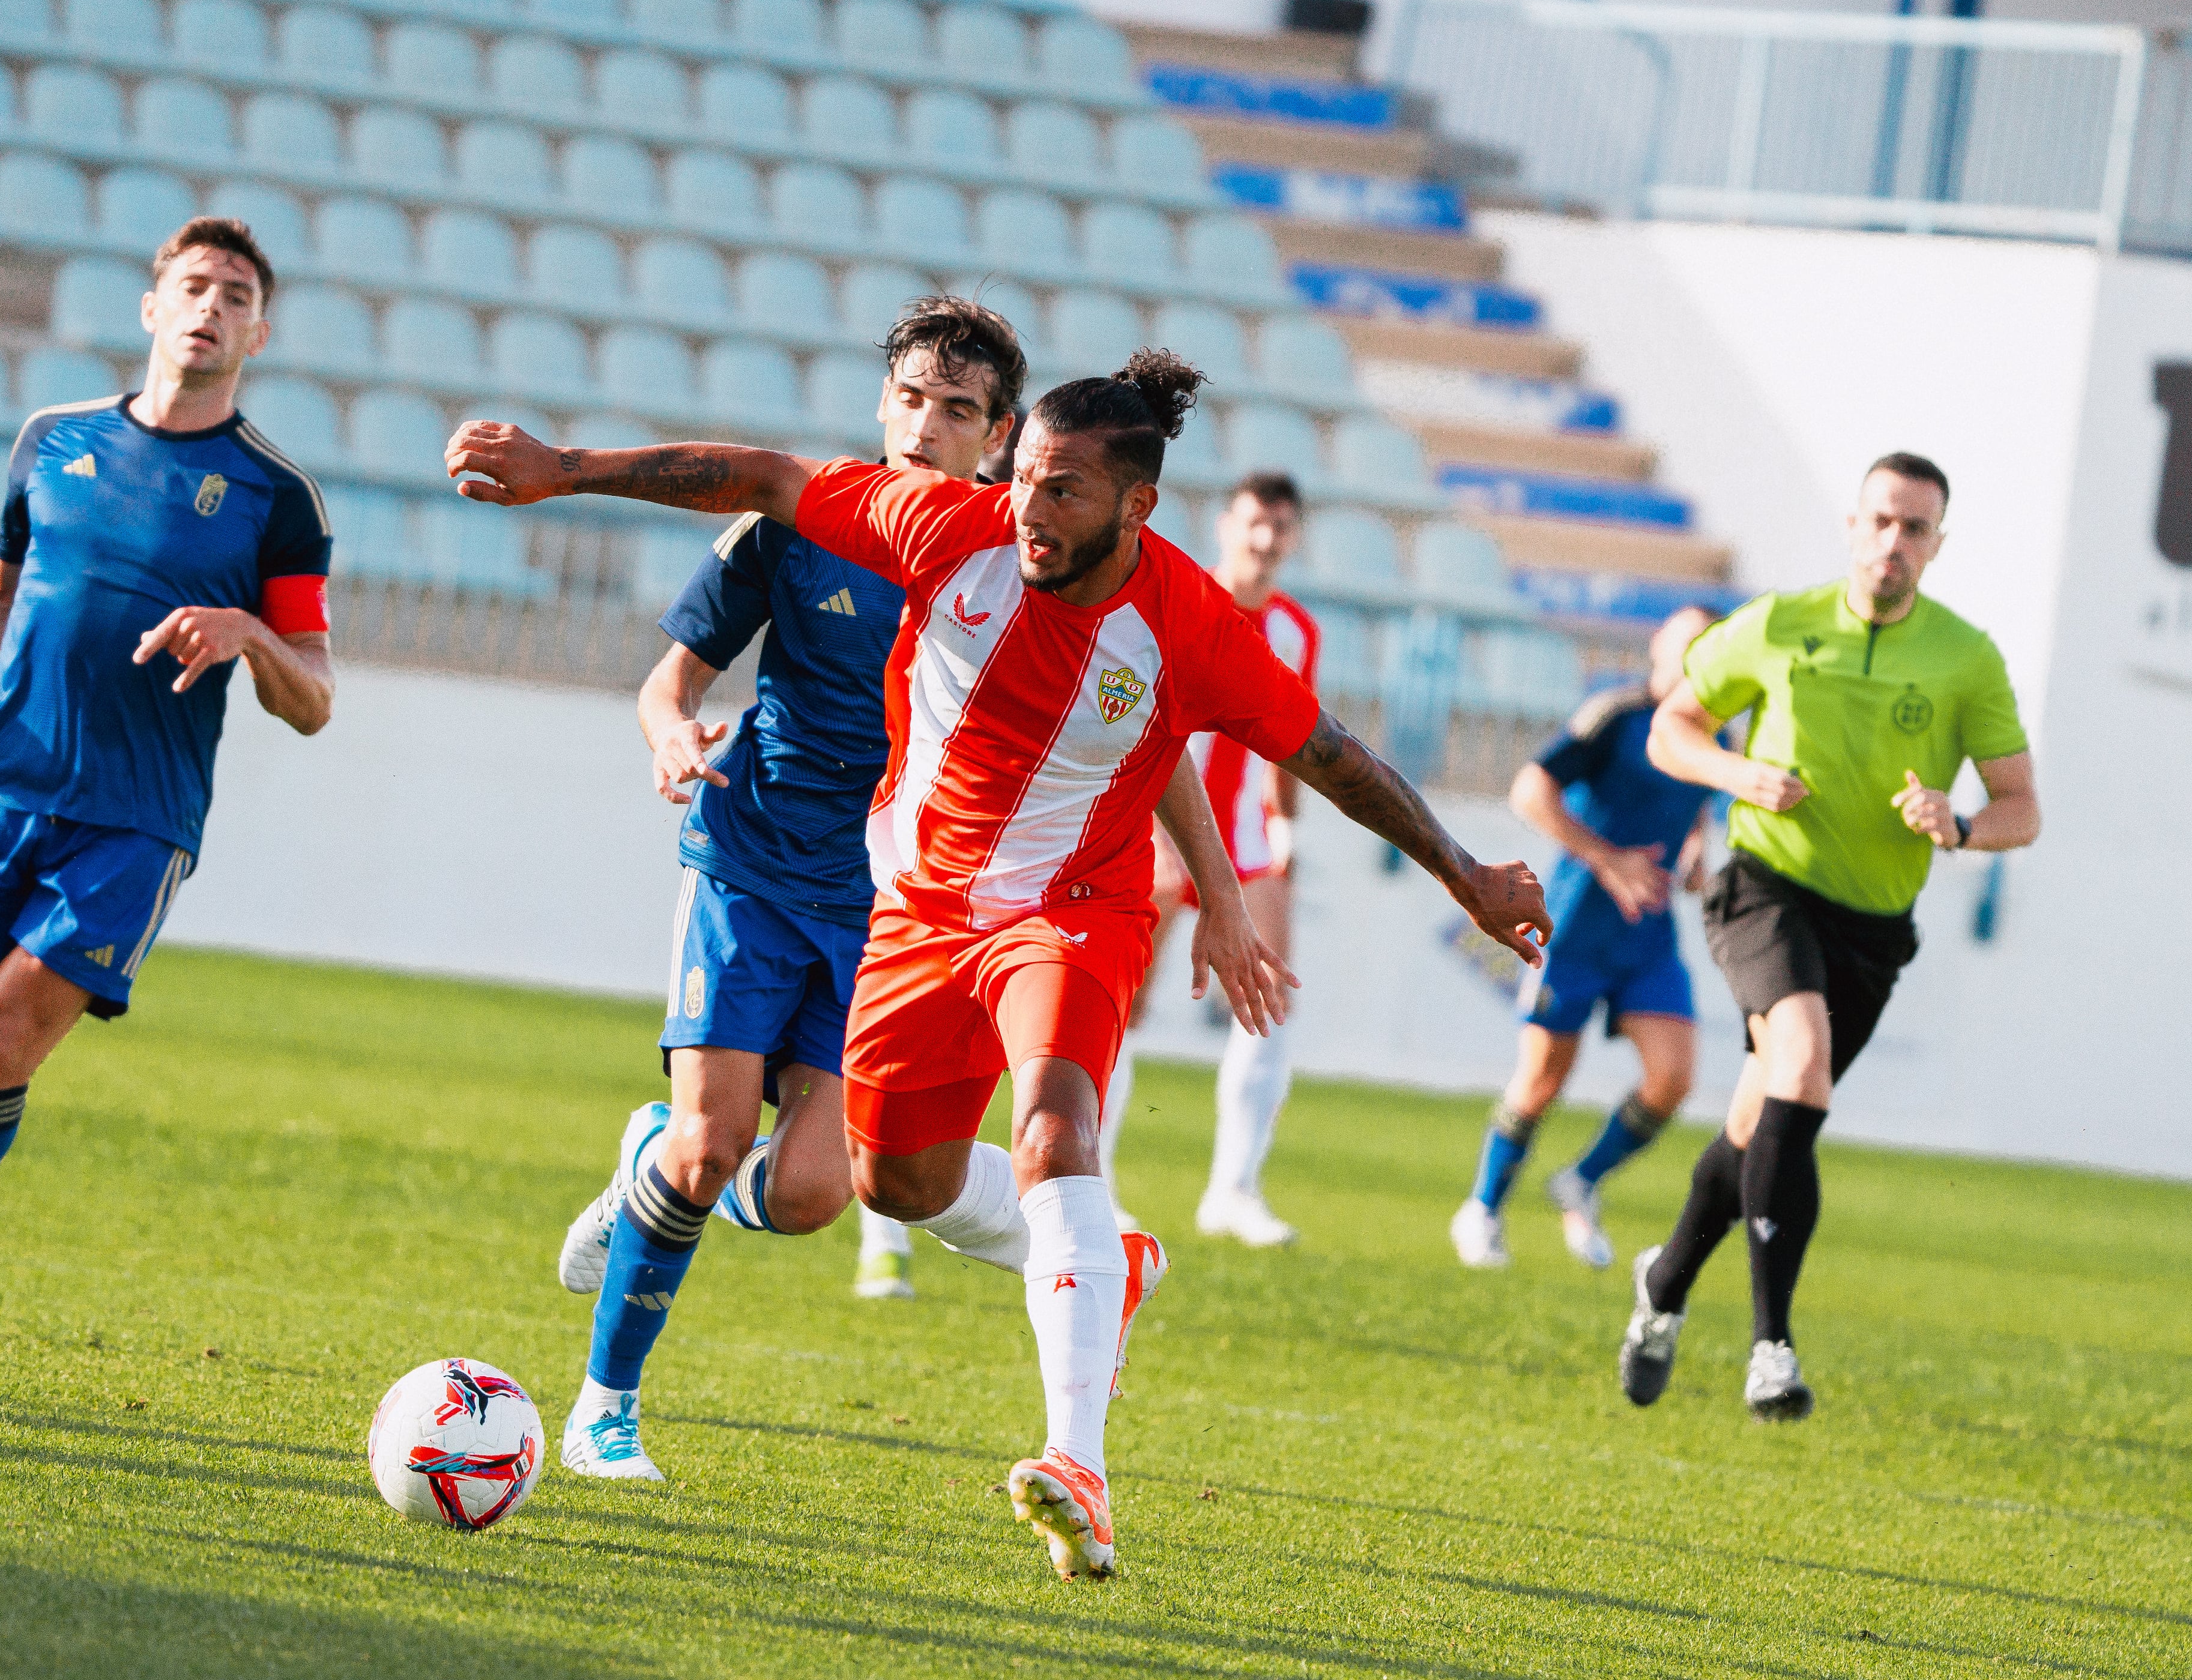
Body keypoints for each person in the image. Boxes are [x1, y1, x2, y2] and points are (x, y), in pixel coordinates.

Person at [445, 352, 1550, 1580]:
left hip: (1073, 910)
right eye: (1024, 478)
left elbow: (1337, 757)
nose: (1028, 507)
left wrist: (1467, 877)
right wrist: (562, 472)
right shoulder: (946, 525)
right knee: (891, 1185)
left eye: (1064, 491)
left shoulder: (1192, 625)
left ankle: (1075, 1459)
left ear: (1135, 506)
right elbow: (760, 475)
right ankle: (1106, 1257)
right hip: (911, 914)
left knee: (1054, 1128)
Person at [548, 300, 1259, 1483]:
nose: (930, 426)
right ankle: (602, 1406)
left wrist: (1219, 887)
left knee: (824, 1190)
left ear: (999, 439)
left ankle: (648, 1166)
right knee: (711, 1142)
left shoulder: (1024, 559)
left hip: (893, 905)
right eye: (916, 399)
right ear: (884, 404)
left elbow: (1149, 725)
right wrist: (673, 738)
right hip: (755, 859)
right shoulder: (791, 529)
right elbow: (666, 684)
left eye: (963, 411)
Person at [0, 218, 334, 1326]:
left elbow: (315, 699)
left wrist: (249, 632)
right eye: (193, 286)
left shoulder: (278, 497)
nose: (211, 308)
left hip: (134, 823)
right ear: (152, 308)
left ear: (260, 331)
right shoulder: (53, 440)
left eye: (236, 295)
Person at [1621, 453, 2038, 1419]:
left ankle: (1666, 1281)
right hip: (1765, 888)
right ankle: (1772, 1345)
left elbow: (2023, 807)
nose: (1895, 543)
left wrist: (1960, 822)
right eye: (1883, 521)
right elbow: (1669, 731)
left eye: (1917, 529)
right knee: (1800, 1066)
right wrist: (1739, 777)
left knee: (1756, 1124)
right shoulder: (1776, 623)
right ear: (1853, 525)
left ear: (1937, 545)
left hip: (1872, 928)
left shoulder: (1965, 658)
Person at [1453, 605, 1719, 1272]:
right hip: (1572, 926)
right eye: (1683, 645)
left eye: (1706, 651)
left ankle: (1581, 1180)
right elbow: (1530, 789)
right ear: (1658, 646)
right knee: (1542, 1079)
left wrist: (1693, 857)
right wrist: (1607, 858)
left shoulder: (1718, 736)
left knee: (1672, 1079)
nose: (1693, 661)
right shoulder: (1615, 716)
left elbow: (1692, 810)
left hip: (1647, 937)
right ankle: (1481, 1209)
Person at [1101, 474, 1318, 1248]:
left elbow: (1291, 738)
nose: (1265, 541)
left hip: (1248, 844)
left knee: (1269, 1003)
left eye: (1280, 528)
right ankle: (1093, 1181)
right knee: (1118, 1006)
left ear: (1293, 538)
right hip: (1157, 829)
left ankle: (1233, 1192)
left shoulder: (1294, 630)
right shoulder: (1179, 596)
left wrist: (1284, 824)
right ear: (1228, 525)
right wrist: (1152, 834)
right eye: (1255, 523)